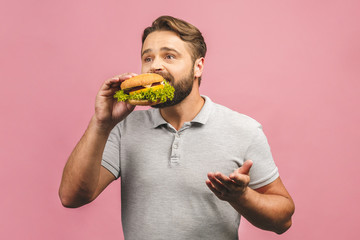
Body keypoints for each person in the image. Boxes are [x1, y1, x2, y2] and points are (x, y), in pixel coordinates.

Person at [59, 15, 295, 239]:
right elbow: (72, 197)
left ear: (198, 67)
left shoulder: (243, 129)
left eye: (169, 56)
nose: (155, 66)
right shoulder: (124, 127)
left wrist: (242, 196)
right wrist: (101, 123)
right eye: (148, 58)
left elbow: (283, 220)